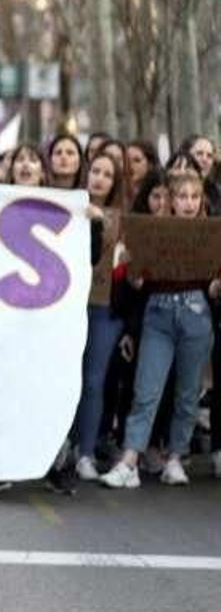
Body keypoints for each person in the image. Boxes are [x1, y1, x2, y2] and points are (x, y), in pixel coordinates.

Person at [100, 170, 220, 488]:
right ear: (171, 201)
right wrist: (132, 273)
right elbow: (136, 281)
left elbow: (213, 284)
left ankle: (176, 458)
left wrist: (216, 286)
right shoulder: (153, 231)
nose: (189, 203)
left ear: (201, 201)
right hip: (158, 313)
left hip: (196, 313)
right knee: (146, 390)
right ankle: (129, 461)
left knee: (188, 393)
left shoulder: (211, 234)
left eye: (195, 197)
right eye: (182, 196)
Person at [73, 151, 127, 479]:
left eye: (108, 175)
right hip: (69, 307)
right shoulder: (67, 207)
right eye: (96, 171)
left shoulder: (122, 220)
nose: (100, 179)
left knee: (93, 381)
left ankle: (86, 453)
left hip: (105, 310)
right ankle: (61, 447)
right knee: (67, 377)